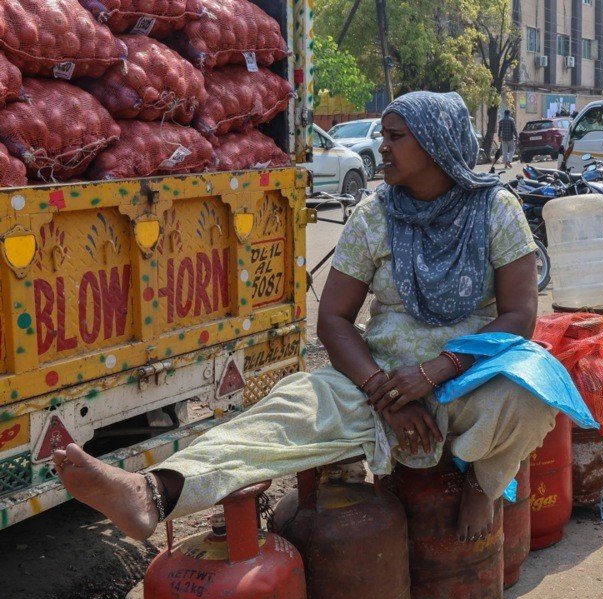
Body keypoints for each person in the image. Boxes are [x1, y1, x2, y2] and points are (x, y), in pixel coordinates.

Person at [52, 91, 557, 543]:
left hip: (468, 379)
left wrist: (434, 372)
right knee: (286, 408)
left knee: (530, 395)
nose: (383, 147)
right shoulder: (373, 215)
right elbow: (334, 320)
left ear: (435, 143)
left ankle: (484, 485)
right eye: (383, 136)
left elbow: (519, 316)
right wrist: (386, 393)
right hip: (379, 382)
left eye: (396, 137)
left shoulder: (496, 209)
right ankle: (153, 493)